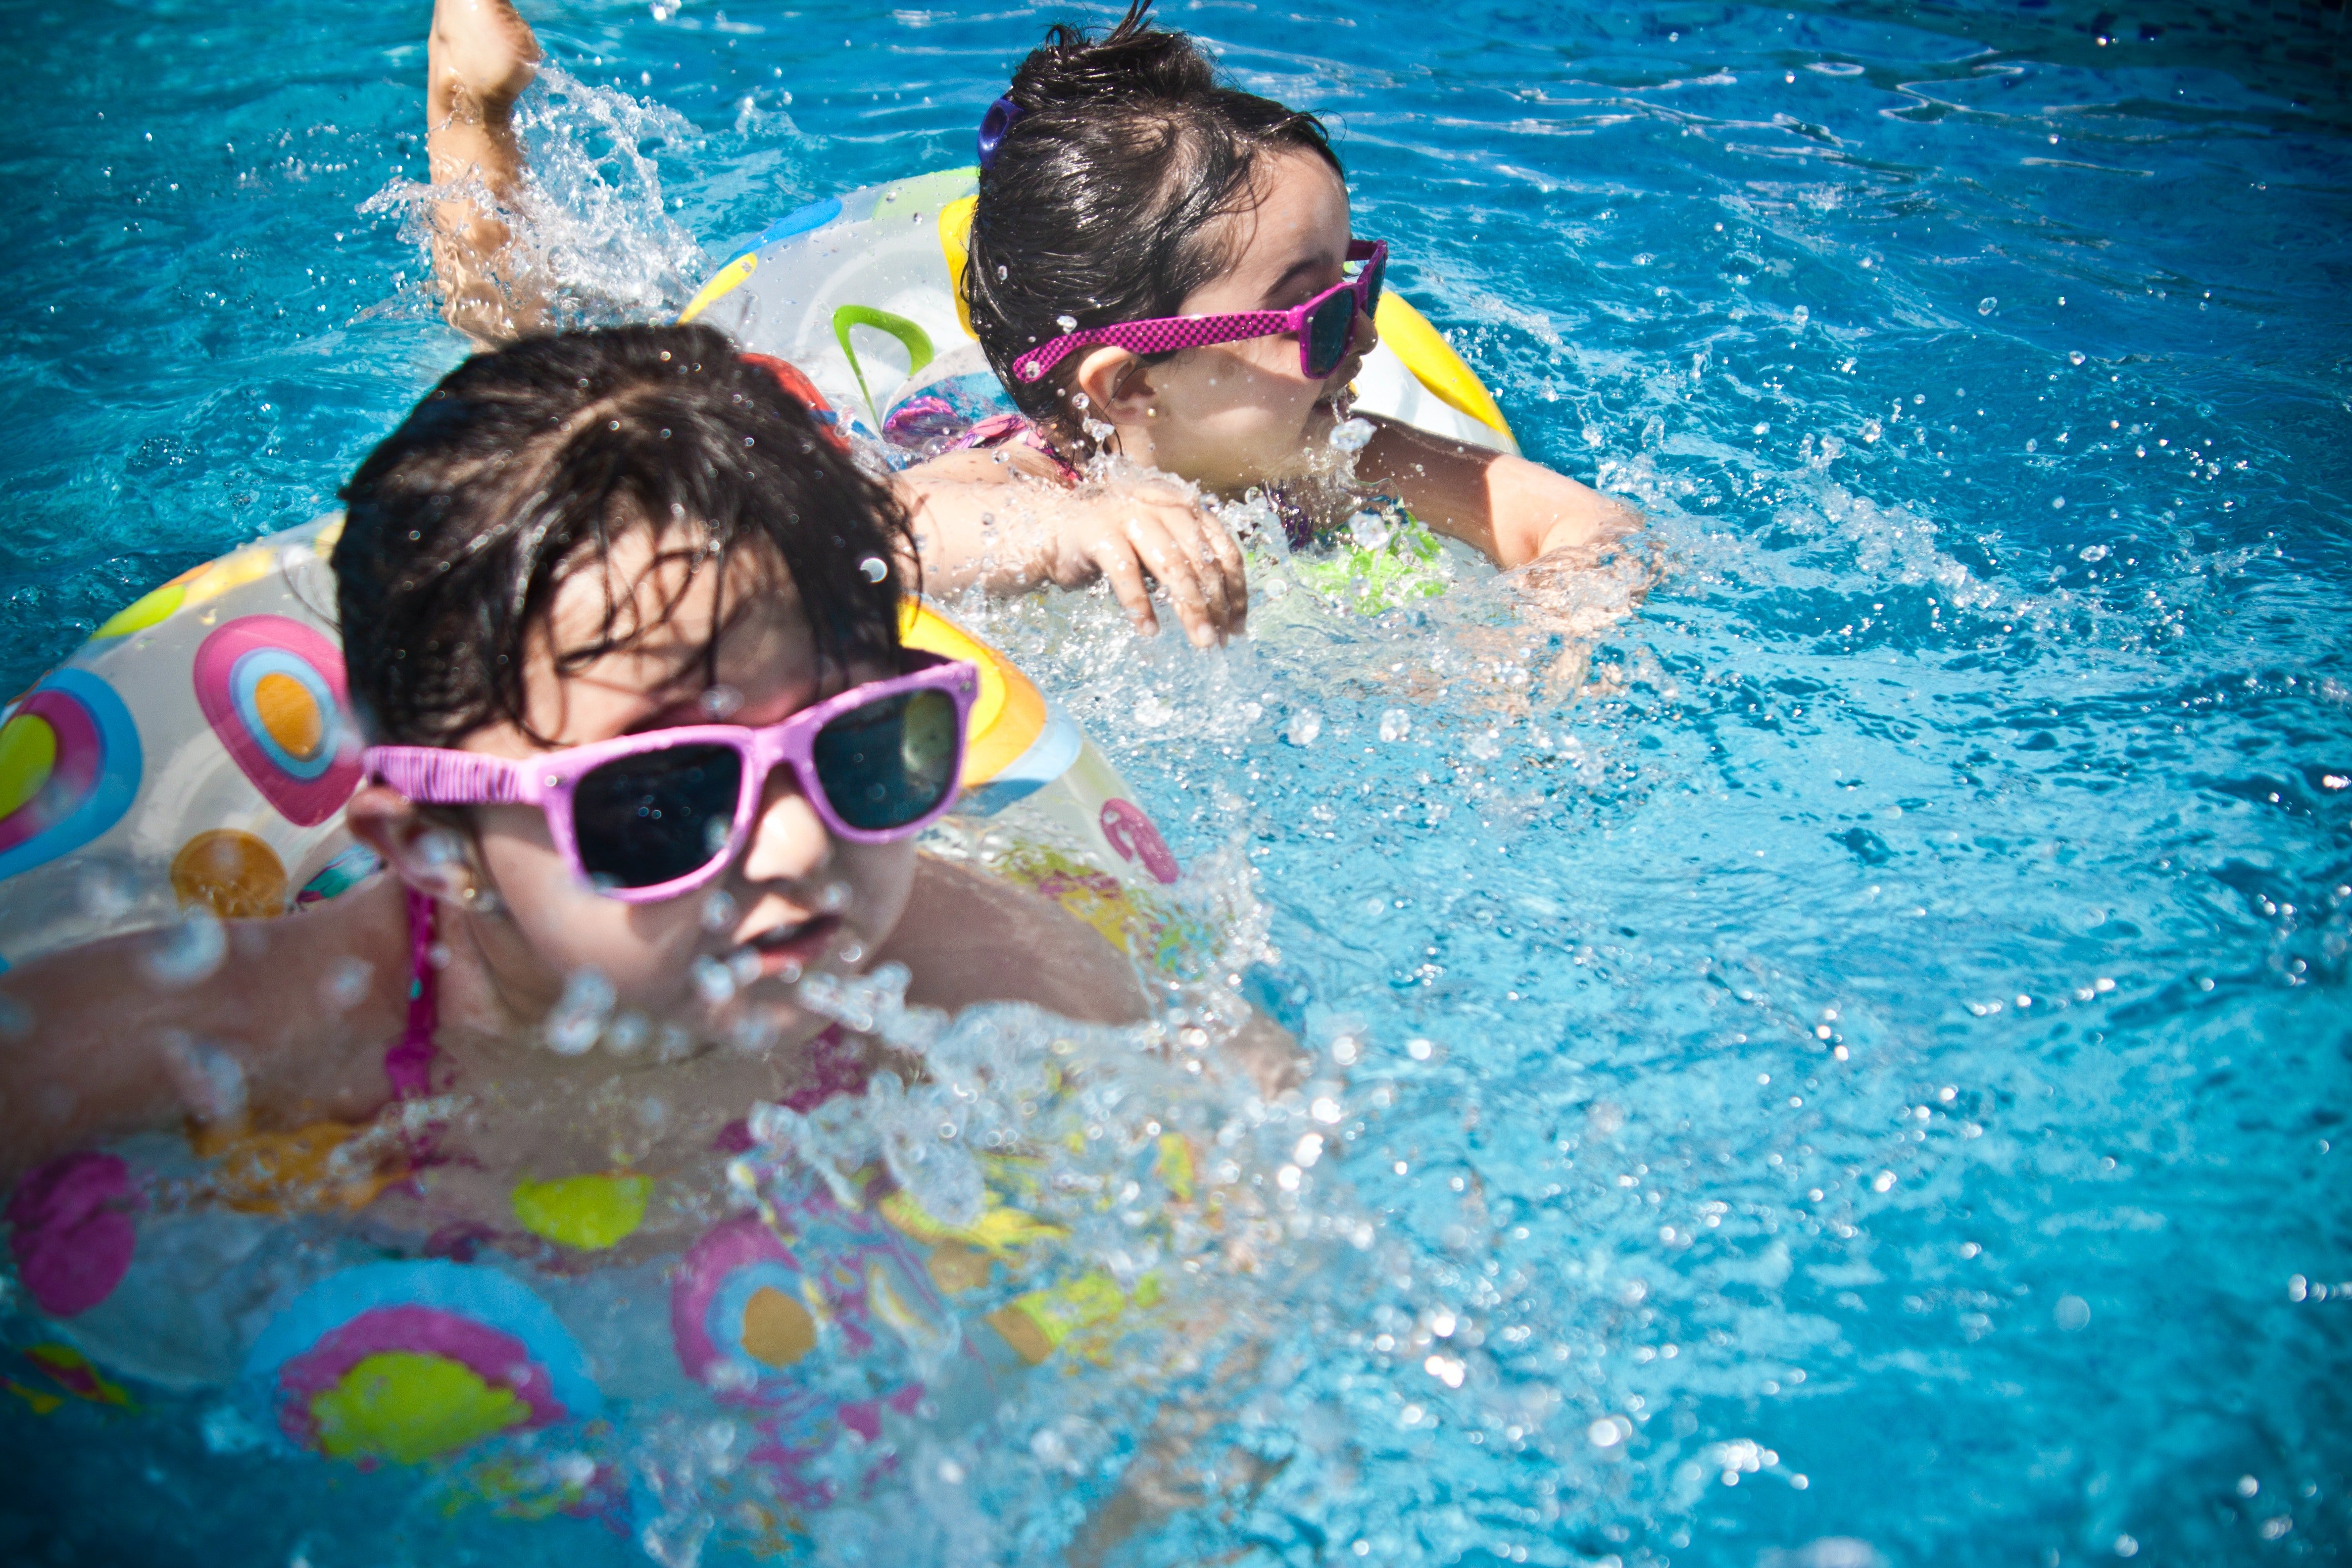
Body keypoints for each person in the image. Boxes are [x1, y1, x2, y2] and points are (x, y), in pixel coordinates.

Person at [0, 326, 1165, 1213]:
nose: (801, 846)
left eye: (860, 749)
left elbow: (1232, 1165)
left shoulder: (970, 975)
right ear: (433, 844)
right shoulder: (266, 1032)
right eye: (665, 798)